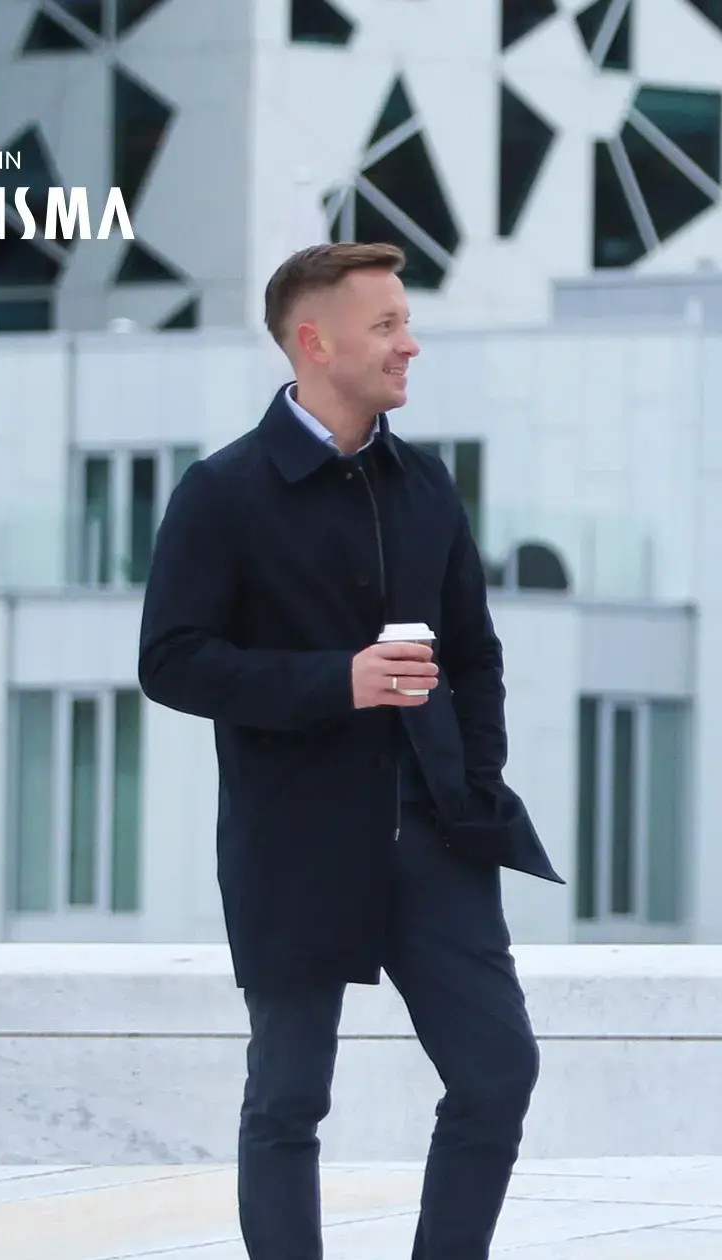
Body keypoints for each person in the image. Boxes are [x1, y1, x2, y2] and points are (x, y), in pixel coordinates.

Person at [137, 241, 564, 1260]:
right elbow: (171, 661)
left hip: (433, 833)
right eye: (386, 327)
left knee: (498, 1072)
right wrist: (339, 681)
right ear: (312, 341)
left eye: (405, 323)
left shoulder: (423, 485)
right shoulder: (222, 492)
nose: (409, 344)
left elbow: (473, 655)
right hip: (295, 843)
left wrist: (473, 780)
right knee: (287, 1098)